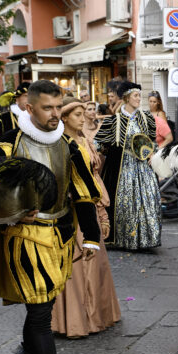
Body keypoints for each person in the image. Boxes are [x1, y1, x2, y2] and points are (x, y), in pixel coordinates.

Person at [0, 80, 102, 354]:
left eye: (58, 107)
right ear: (30, 108)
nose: (55, 114)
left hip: (61, 235)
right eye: (47, 108)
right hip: (24, 236)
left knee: (43, 306)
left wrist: (90, 236)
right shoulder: (7, 145)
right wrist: (10, 211)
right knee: (41, 309)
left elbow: (83, 192)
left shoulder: (69, 145)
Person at [52, 98, 120, 337]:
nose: (83, 119)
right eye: (77, 115)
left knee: (95, 263)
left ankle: (97, 316)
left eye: (84, 114)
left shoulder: (86, 142)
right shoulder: (59, 145)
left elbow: (95, 180)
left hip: (91, 208)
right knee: (76, 265)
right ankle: (74, 320)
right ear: (64, 118)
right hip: (72, 212)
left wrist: (102, 213)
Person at [96, 82, 162, 250]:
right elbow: (100, 144)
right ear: (126, 98)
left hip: (143, 167)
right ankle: (124, 239)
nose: (139, 99)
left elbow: (152, 142)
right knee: (124, 203)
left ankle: (146, 239)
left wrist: (153, 154)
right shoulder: (114, 120)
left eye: (139, 95)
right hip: (122, 167)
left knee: (147, 200)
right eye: (135, 96)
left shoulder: (146, 118)